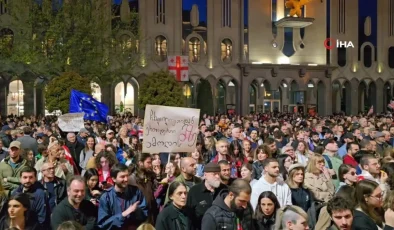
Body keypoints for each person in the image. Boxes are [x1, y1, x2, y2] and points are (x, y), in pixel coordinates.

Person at [98, 164, 148, 229]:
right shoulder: (106, 197)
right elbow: (103, 224)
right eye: (122, 177)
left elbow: (145, 214)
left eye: (127, 176)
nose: (126, 179)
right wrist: (123, 215)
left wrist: (137, 210)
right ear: (114, 179)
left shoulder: (136, 192)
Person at [186, 162, 227, 230]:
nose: (217, 177)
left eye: (218, 174)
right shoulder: (194, 191)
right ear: (205, 175)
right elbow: (189, 217)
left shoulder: (224, 190)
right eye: (214, 174)